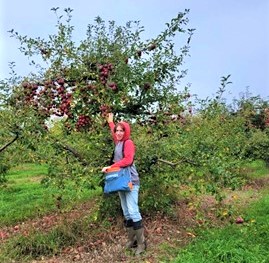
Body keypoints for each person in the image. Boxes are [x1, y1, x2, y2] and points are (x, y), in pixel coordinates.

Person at [102, 113, 146, 255]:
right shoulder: (118, 143)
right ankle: (131, 240)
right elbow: (115, 134)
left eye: (122, 130)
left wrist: (111, 167)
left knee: (133, 210)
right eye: (117, 131)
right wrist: (111, 123)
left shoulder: (128, 143)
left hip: (131, 181)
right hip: (121, 182)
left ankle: (141, 243)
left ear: (126, 132)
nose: (119, 133)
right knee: (126, 212)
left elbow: (128, 160)